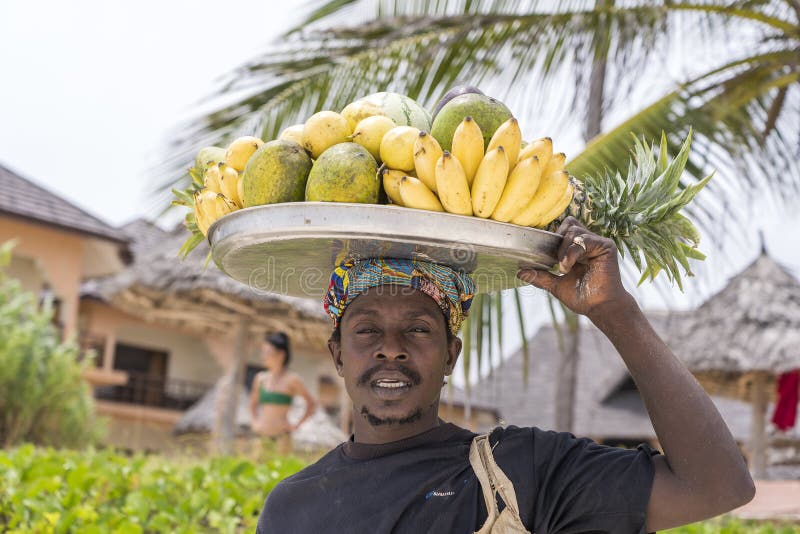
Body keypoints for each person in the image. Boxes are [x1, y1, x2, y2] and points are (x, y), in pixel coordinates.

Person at [256, 218, 754, 533]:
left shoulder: (520, 470)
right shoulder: (291, 509)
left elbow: (717, 486)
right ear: (338, 355)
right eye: (366, 330)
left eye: (418, 328)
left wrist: (615, 312)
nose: (392, 349)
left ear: (451, 355)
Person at [248, 332, 317, 455]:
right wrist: (254, 422)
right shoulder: (260, 378)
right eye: (263, 352)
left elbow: (311, 404)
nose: (263, 356)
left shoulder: (292, 379)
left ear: (281, 354)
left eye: (268, 352)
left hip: (282, 438)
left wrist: (296, 425)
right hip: (261, 436)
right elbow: (253, 404)